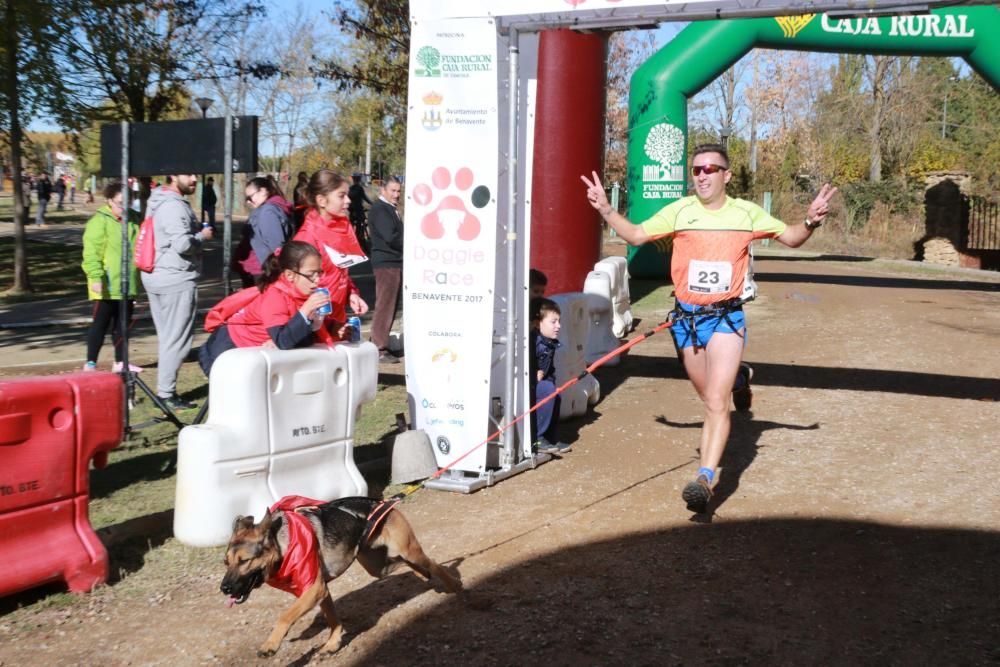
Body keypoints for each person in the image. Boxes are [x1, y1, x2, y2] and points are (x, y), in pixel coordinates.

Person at [581, 143, 836, 513]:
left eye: (710, 169)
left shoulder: (747, 213)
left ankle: (705, 478)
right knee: (709, 395)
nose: (701, 175)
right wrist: (606, 209)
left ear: (726, 175)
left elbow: (792, 237)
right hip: (687, 320)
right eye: (696, 169)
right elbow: (636, 235)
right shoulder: (681, 211)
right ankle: (740, 378)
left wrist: (810, 220)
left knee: (717, 404)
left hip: (726, 318)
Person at [199, 241, 335, 376]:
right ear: (290, 275)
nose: (317, 280)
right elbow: (284, 341)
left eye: (319, 273)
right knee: (231, 396)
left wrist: (335, 329)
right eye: (311, 274)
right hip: (226, 349)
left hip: (248, 354)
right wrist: (306, 310)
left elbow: (297, 337)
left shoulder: (301, 294)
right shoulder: (275, 296)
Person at [141, 174, 214, 411]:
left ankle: (165, 388)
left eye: (195, 175)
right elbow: (183, 245)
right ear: (173, 177)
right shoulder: (173, 206)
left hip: (157, 274)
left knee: (168, 337)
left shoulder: (158, 200)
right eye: (188, 175)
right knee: (178, 341)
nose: (194, 179)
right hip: (175, 278)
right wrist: (202, 237)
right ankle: (166, 393)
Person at [293, 169, 369, 335]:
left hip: (337, 318)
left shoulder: (341, 228)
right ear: (322, 200)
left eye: (347, 195)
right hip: (314, 326)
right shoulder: (307, 237)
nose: (348, 201)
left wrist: (351, 293)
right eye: (341, 196)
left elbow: (340, 271)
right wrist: (322, 323)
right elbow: (297, 291)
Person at [81, 181, 143, 373]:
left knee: (123, 326)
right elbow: (92, 252)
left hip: (128, 282)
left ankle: (120, 361)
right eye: (119, 203)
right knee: (100, 324)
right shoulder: (99, 221)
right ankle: (91, 362)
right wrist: (96, 276)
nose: (123, 207)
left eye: (128, 202)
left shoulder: (134, 219)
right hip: (107, 284)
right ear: (109, 200)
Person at [233, 175, 294, 287]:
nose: (249, 202)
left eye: (250, 197)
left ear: (263, 191)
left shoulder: (268, 211)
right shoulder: (272, 207)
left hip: (262, 270)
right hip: (262, 268)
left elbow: (276, 245)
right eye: (247, 199)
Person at [368, 176, 404, 364]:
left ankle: (380, 342)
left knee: (389, 304)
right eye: (393, 191)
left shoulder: (389, 208)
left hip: (392, 262)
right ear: (383, 190)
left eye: (399, 191)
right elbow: (391, 237)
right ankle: (378, 347)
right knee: (385, 305)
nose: (397, 194)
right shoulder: (381, 210)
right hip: (386, 263)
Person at [530, 297, 571, 454]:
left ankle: (549, 438)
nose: (558, 326)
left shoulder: (548, 342)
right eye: (553, 322)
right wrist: (533, 375)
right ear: (537, 323)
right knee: (548, 390)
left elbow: (550, 370)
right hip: (529, 385)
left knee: (555, 393)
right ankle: (538, 438)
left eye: (559, 321)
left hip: (541, 382)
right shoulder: (534, 342)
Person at [347, 172, 372, 250]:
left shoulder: (350, 189)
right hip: (359, 211)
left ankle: (351, 240)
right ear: (359, 179)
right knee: (360, 225)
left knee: (351, 225)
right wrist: (373, 204)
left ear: (353, 179)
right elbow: (365, 198)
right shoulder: (360, 188)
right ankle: (359, 241)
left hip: (351, 211)